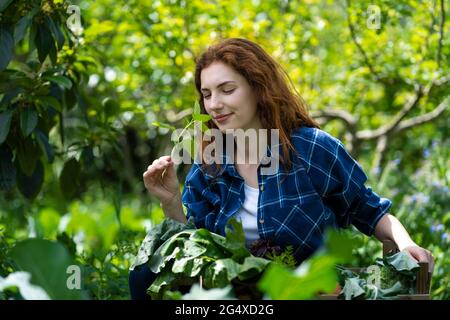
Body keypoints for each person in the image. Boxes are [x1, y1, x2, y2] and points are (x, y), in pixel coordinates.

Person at [130, 38, 434, 300]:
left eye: (226, 89)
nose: (214, 104)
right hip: (239, 292)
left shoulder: (311, 148)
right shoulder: (211, 160)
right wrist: (170, 200)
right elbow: (197, 249)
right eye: (207, 94)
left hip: (310, 288)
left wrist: (407, 244)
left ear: (257, 87)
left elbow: (369, 210)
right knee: (144, 274)